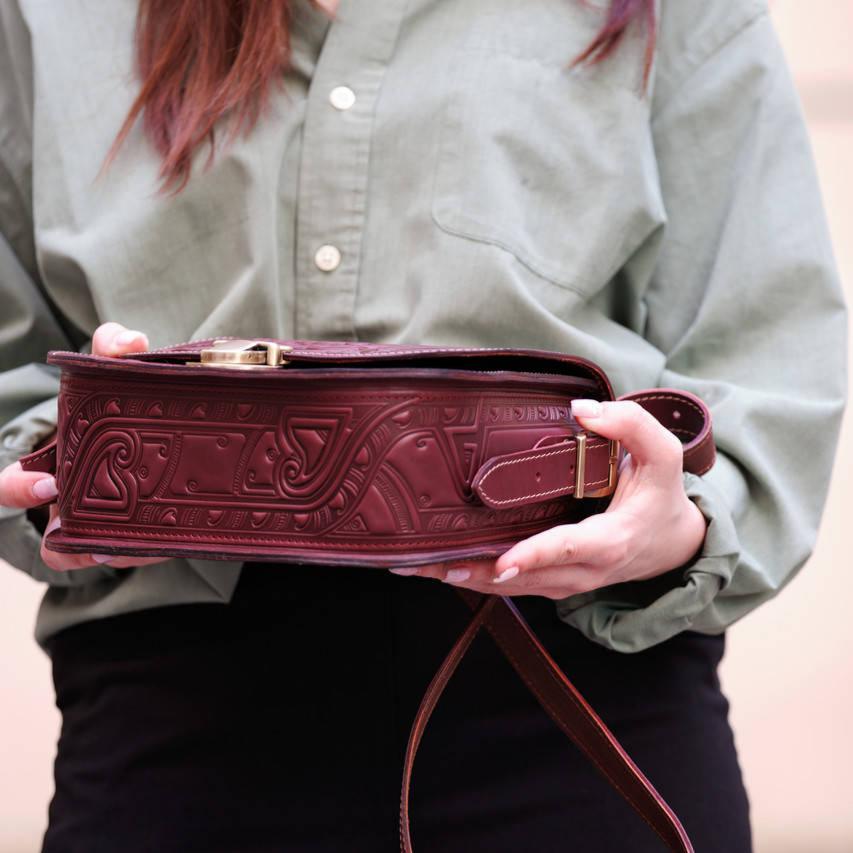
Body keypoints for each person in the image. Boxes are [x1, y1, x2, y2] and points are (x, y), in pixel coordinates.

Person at [0, 0, 846, 851]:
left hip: (577, 689)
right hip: (172, 723)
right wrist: (72, 457)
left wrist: (673, 521)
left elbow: (765, 359)